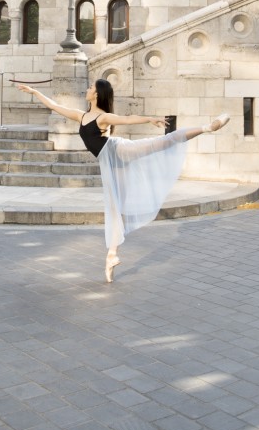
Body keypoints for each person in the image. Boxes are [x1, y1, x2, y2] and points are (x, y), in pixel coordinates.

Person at [15, 79, 229, 282]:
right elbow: (55, 106)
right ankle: (112, 256)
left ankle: (207, 128)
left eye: (90, 87)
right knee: (115, 208)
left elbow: (126, 119)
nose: (87, 90)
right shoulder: (81, 116)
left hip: (119, 151)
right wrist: (35, 93)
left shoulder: (102, 118)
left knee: (162, 142)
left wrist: (149, 119)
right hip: (111, 164)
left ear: (96, 94)